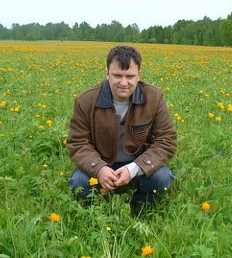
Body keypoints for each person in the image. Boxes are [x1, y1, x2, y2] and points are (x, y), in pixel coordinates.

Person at [67, 45, 177, 211]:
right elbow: (78, 143)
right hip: (101, 162)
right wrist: (99, 169)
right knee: (79, 183)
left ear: (139, 75)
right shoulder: (85, 100)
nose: (124, 82)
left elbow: (166, 140)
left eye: (130, 76)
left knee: (162, 178)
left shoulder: (154, 97)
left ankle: (139, 207)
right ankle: (97, 211)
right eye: (117, 75)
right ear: (107, 74)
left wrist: (134, 169)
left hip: (138, 163)